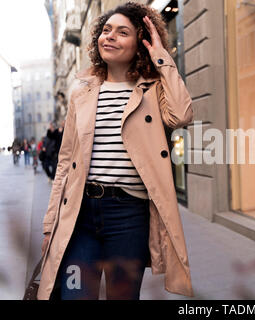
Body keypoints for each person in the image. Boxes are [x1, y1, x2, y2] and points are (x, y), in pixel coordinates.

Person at [39, 2, 194, 300]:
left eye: (122, 32)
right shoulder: (81, 93)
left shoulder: (153, 89)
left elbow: (182, 115)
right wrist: (50, 226)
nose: (110, 36)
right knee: (73, 295)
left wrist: (160, 55)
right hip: (79, 216)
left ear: (140, 43)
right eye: (106, 30)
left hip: (128, 218)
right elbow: (65, 163)